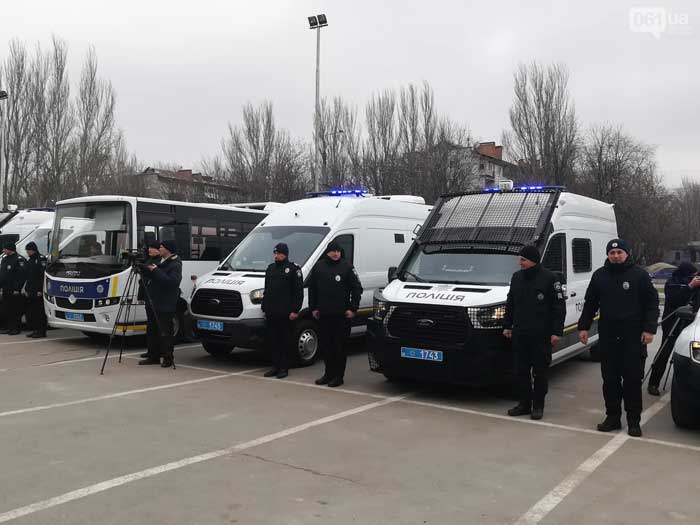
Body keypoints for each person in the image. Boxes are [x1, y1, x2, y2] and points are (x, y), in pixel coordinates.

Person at [578, 239, 659, 437]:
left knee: (632, 381)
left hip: (633, 337)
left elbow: (651, 304)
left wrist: (649, 329)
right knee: (610, 381)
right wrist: (583, 327)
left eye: (619, 252)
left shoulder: (639, 275)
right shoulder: (599, 275)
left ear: (626, 253)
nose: (615, 256)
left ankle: (633, 421)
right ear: (608, 255)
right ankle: (612, 418)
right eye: (612, 253)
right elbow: (590, 303)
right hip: (608, 337)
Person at [503, 245, 566, 420]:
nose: (520, 263)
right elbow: (511, 303)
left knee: (540, 372)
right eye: (520, 259)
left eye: (523, 260)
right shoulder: (517, 277)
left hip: (541, 335)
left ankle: (538, 406)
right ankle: (524, 404)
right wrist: (507, 325)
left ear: (533, 260)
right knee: (521, 371)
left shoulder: (550, 278)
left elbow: (558, 308)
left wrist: (556, 332)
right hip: (520, 333)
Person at [308, 241, 363, 388]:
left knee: (339, 347)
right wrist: (313, 308)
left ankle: (339, 376)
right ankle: (328, 374)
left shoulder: (347, 267)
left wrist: (353, 308)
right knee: (327, 346)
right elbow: (313, 289)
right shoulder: (319, 267)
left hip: (342, 315)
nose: (336, 254)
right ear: (328, 252)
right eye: (333, 251)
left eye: (338, 251)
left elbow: (357, 289)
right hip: (324, 314)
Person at [648, 262, 700, 395]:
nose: (693, 277)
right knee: (664, 353)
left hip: (689, 324)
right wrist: (689, 286)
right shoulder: (672, 283)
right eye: (691, 275)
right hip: (672, 323)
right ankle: (653, 383)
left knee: (687, 355)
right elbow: (674, 299)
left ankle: (686, 386)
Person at [261, 242, 304, 379]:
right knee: (273, 341)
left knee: (285, 341)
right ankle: (275, 366)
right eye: (275, 253)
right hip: (272, 311)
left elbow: (298, 292)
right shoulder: (270, 268)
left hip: (286, 313)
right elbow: (267, 290)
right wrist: (264, 306)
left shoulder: (293, 269)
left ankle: (284, 368)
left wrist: (295, 310)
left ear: (285, 254)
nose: (277, 256)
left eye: (279, 253)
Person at [138, 240, 182, 368]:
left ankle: (168, 358)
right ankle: (153, 356)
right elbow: (153, 276)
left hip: (165, 302)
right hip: (153, 300)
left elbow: (172, 282)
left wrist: (156, 270)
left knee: (165, 331)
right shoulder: (161, 261)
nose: (159, 249)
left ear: (167, 249)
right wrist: (142, 268)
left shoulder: (175, 264)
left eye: (161, 247)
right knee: (152, 329)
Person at [138, 242, 163, 359]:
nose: (149, 250)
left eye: (152, 248)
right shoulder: (149, 259)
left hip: (155, 297)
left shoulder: (160, 262)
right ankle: (150, 350)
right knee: (150, 325)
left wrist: (142, 266)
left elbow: (152, 273)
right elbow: (144, 275)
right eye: (149, 248)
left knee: (156, 325)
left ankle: (157, 352)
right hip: (148, 295)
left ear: (158, 250)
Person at [0, 242, 27, 335]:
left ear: (10, 249)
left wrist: (17, 289)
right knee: (6, 309)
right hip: (6, 289)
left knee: (15, 310)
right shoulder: (5, 259)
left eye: (5, 249)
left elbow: (21, 276)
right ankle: (9, 327)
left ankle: (15, 328)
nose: (3, 250)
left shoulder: (19, 260)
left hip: (14, 290)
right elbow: (2, 275)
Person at [24, 241, 48, 338]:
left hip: (38, 290)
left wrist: (40, 290)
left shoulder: (41, 259)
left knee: (39, 312)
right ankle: (35, 330)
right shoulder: (30, 260)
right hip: (31, 289)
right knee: (33, 312)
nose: (27, 252)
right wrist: (26, 289)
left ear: (32, 250)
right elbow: (29, 277)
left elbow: (42, 276)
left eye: (28, 250)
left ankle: (41, 331)